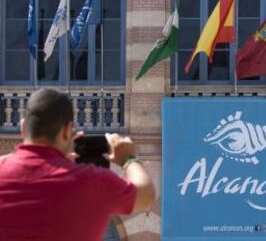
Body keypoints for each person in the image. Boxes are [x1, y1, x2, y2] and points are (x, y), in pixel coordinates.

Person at [0, 88, 155, 241]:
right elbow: (146, 195)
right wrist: (127, 158)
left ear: (22, 127)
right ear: (67, 131)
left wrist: (59, 162)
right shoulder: (93, 181)